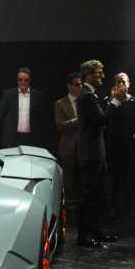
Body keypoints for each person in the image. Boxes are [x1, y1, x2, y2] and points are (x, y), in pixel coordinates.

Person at [76, 59, 118, 247]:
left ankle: (95, 231)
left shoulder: (90, 95)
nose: (102, 76)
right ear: (88, 75)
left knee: (97, 194)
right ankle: (84, 236)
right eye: (99, 73)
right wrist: (114, 101)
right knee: (89, 196)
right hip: (91, 154)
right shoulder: (87, 96)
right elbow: (103, 119)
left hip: (95, 152)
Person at [104, 72, 135, 225]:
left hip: (129, 142)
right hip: (113, 143)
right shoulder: (109, 100)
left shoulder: (134, 101)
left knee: (129, 176)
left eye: (124, 82)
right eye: (118, 81)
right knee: (114, 177)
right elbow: (105, 119)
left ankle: (130, 208)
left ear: (129, 84)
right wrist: (113, 100)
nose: (121, 84)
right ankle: (113, 208)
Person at [55, 72, 83, 224]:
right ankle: (70, 215)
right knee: (69, 180)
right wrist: (77, 120)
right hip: (68, 147)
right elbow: (60, 125)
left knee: (82, 180)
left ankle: (82, 213)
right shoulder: (60, 103)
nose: (80, 87)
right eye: (77, 84)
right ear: (69, 86)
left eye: (81, 84)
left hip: (84, 147)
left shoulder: (85, 101)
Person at [0, 67, 49, 149]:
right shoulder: (8, 94)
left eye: (26, 80)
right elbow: (1, 115)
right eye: (20, 79)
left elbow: (42, 117)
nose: (23, 82)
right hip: (12, 137)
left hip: (32, 138)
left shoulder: (38, 95)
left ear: (30, 80)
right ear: (17, 80)